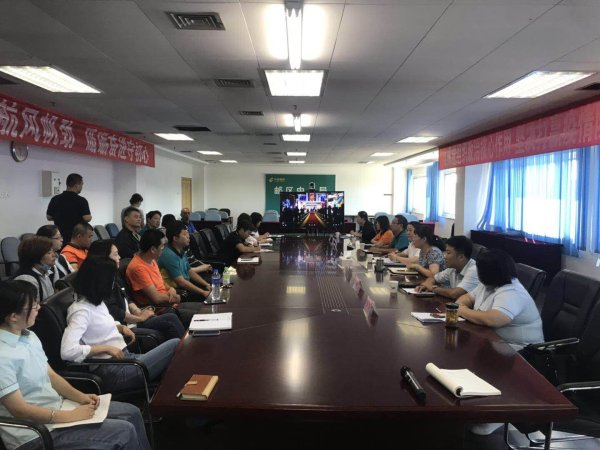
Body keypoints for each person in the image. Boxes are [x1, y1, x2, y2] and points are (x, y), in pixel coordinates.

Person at [0, 280, 151, 450]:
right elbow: (19, 410)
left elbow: (52, 376)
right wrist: (71, 416)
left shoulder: (28, 336)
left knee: (132, 413)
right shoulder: (3, 356)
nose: (38, 308)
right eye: (33, 305)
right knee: (123, 432)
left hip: (57, 409)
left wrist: (81, 397)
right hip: (35, 434)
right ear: (13, 316)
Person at [61, 258, 180, 393]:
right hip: (113, 371)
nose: (113, 284)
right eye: (110, 280)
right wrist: (105, 348)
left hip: (127, 359)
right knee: (175, 344)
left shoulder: (96, 302)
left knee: (170, 367)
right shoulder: (80, 311)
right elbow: (67, 351)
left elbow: (100, 324)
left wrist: (121, 327)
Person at [87, 240, 184, 340]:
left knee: (171, 317)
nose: (119, 257)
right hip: (122, 327)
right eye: (115, 254)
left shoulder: (113, 275)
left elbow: (127, 297)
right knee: (170, 319)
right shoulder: (98, 283)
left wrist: (137, 311)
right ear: (104, 258)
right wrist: (139, 318)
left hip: (132, 318)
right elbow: (115, 312)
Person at [457, 249, 544, 348]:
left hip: (520, 350)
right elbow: (468, 297)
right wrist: (461, 306)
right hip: (495, 342)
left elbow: (493, 319)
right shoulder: (489, 283)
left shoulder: (512, 292)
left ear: (488, 273)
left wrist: (461, 310)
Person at [125, 229, 202, 328]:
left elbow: (161, 282)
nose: (164, 249)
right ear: (153, 249)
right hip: (160, 309)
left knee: (205, 308)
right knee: (202, 315)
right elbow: (157, 299)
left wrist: (170, 288)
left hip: (169, 303)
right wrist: (177, 298)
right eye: (162, 246)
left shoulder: (151, 259)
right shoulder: (138, 268)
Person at [158, 221, 212, 301]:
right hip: (175, 291)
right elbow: (181, 282)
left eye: (188, 233)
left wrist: (206, 285)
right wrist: (203, 292)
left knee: (212, 288)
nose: (188, 236)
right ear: (175, 238)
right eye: (185, 234)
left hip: (185, 285)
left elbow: (189, 271)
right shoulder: (168, 255)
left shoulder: (181, 250)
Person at [46, 173, 92, 244]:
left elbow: (49, 217)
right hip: (75, 237)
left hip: (60, 236)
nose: (82, 187)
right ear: (76, 185)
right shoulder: (81, 200)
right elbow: (86, 218)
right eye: (81, 184)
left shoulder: (55, 199)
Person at [13, 237, 55, 303]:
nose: (53, 255)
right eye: (49, 252)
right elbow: (33, 307)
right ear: (36, 256)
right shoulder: (27, 279)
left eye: (53, 251)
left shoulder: (44, 272)